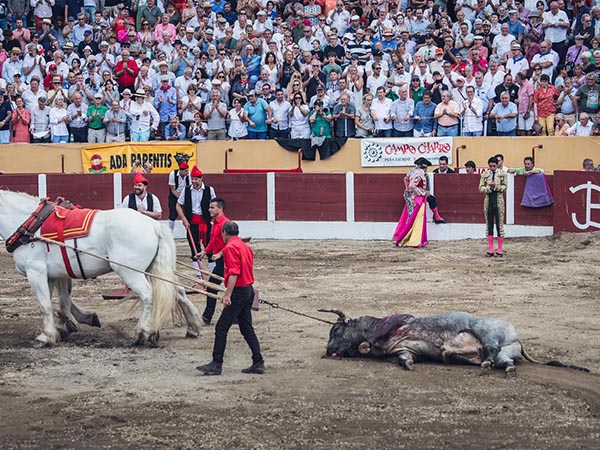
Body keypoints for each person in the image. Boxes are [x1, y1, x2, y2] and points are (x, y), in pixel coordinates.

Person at [196, 221, 264, 376]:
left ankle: (216, 363)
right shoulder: (245, 247)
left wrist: (227, 295)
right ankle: (258, 361)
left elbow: (234, 273)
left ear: (224, 233)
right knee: (246, 328)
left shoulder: (229, 248)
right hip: (248, 290)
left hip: (239, 292)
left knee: (221, 328)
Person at [176, 165, 216, 279]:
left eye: (196, 179)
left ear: (201, 178)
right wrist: (183, 218)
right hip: (191, 223)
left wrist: (214, 219)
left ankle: (213, 276)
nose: (194, 181)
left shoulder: (209, 190)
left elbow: (214, 205)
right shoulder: (186, 190)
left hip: (206, 222)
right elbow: (178, 205)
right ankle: (199, 276)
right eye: (192, 178)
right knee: (194, 250)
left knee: (210, 249)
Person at [196, 197, 229, 325]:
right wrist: (204, 252)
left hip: (227, 261)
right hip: (221, 260)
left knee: (213, 287)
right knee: (229, 288)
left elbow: (231, 243)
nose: (209, 210)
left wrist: (220, 254)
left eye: (212, 207)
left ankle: (207, 317)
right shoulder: (215, 223)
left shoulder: (225, 224)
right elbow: (212, 241)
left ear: (220, 209)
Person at [393, 157, 430, 248]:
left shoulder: (412, 171)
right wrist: (422, 192)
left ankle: (407, 237)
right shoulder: (420, 173)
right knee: (413, 218)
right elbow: (412, 185)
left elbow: (406, 179)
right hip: (415, 198)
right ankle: (408, 238)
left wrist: (408, 190)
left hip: (410, 197)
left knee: (410, 217)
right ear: (424, 167)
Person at [479, 156, 508, 257]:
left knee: (499, 225)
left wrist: (495, 186)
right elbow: (480, 188)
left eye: (494, 166)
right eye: (490, 166)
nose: (492, 168)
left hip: (499, 201)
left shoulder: (503, 174)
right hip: (488, 202)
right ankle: (491, 249)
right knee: (489, 224)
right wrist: (488, 188)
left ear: (497, 165)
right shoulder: (485, 175)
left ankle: (500, 249)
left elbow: (505, 187)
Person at [167, 161, 190, 232]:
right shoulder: (173, 174)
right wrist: (180, 198)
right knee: (172, 215)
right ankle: (170, 231)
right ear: (181, 170)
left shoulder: (189, 175)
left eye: (187, 170)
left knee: (189, 214)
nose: (187, 172)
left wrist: (185, 198)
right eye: (185, 171)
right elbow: (173, 190)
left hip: (185, 195)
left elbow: (189, 187)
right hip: (174, 195)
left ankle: (189, 231)